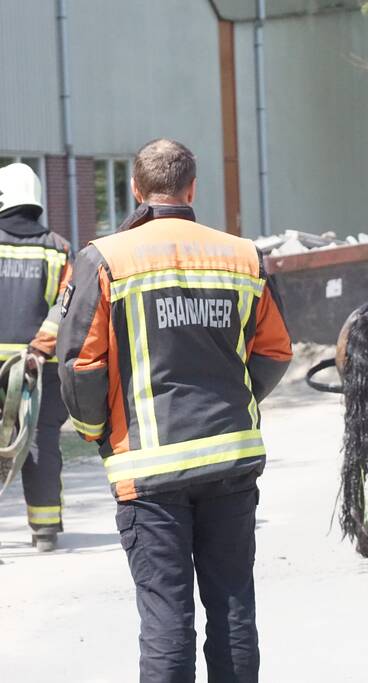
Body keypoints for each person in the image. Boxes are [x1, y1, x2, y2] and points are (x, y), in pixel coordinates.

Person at [57, 139, 292, 682]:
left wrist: (97, 431)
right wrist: (237, 398)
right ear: (192, 189)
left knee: (166, 622)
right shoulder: (242, 255)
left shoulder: (105, 258)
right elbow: (276, 351)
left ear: (136, 190)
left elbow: (81, 366)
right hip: (231, 462)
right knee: (234, 612)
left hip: (147, 470)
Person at [0, 162, 72, 552]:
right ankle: (45, 529)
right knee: (41, 443)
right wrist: (38, 349)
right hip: (36, 368)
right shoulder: (58, 249)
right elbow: (65, 307)